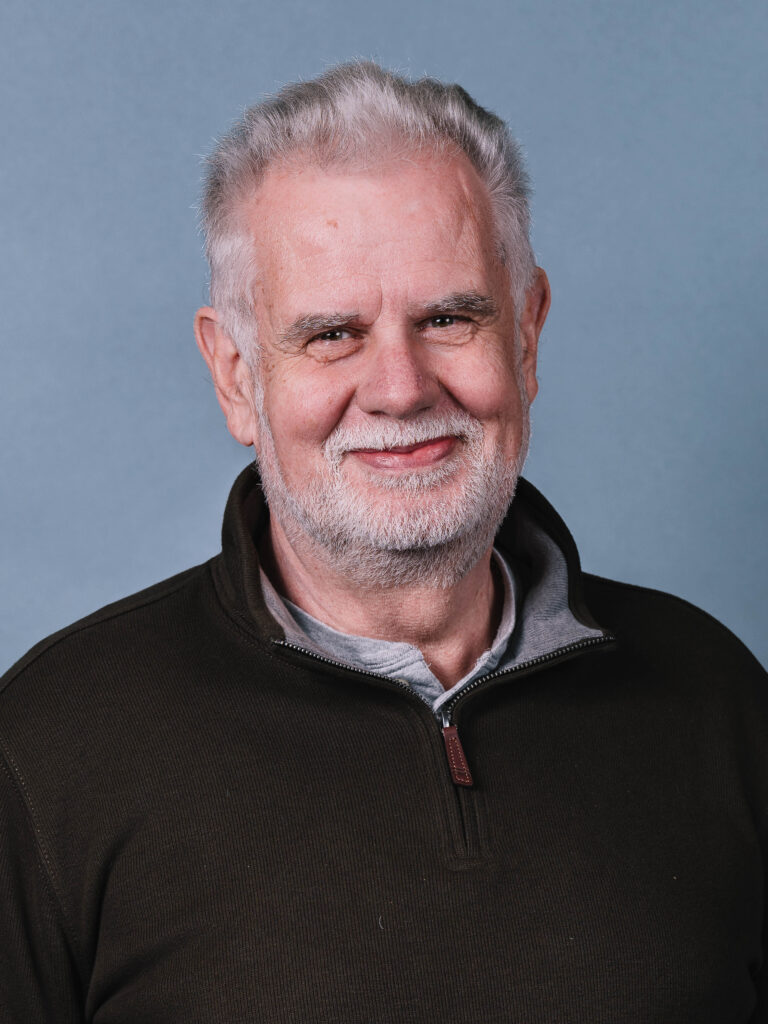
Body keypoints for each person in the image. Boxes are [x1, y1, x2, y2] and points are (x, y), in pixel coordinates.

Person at [1, 61, 765, 1023]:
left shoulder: (718, 699)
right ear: (236, 375)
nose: (400, 389)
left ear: (526, 337)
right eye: (332, 334)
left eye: (448, 318)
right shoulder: (48, 748)